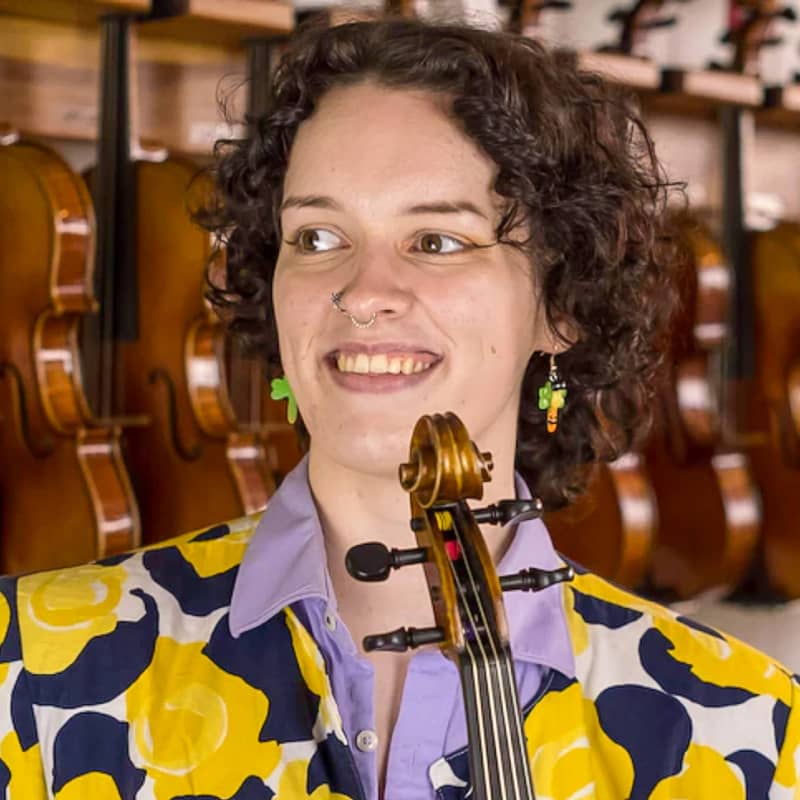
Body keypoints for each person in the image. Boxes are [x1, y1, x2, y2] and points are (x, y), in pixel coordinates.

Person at [0, 14, 797, 800]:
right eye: (317, 237)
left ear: (561, 301)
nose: (363, 292)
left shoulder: (745, 734)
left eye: (437, 241)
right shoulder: (31, 672)